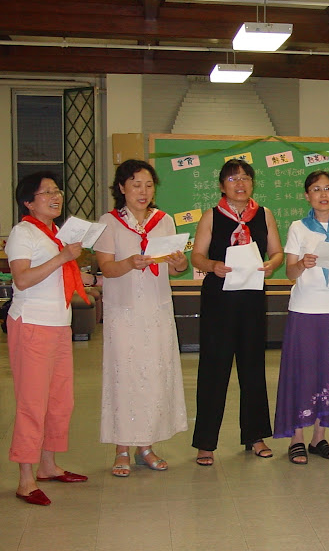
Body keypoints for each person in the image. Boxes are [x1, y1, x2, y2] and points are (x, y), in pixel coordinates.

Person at [94, 160, 189, 477]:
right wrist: (130, 263)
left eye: (148, 185)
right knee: (126, 377)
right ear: (121, 188)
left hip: (157, 309)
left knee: (154, 376)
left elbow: (176, 268)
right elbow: (106, 268)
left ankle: (145, 446)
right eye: (136, 184)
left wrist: (178, 262)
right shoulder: (108, 223)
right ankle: (121, 448)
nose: (143, 191)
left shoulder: (164, 222)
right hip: (124, 312)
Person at [191, 159, 284, 465]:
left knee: (253, 368)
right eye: (233, 179)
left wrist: (272, 264)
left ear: (252, 184)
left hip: (252, 297)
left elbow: (277, 252)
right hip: (219, 299)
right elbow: (197, 257)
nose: (240, 184)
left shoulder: (265, 214)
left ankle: (254, 436)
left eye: (245, 178)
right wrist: (211, 266)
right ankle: (206, 443)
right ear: (222, 185)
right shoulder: (211, 216)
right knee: (213, 370)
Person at [6, 172, 89, 506]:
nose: (56, 197)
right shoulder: (22, 232)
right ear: (29, 201)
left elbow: (58, 274)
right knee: (32, 403)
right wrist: (64, 258)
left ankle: (48, 466)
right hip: (32, 325)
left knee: (60, 401)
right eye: (47, 193)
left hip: (58, 325)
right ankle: (25, 480)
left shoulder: (55, 233)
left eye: (57, 191)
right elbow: (23, 279)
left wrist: (89, 276)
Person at [273, 170, 329, 465]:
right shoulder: (298, 227)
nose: (323, 194)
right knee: (302, 373)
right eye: (317, 189)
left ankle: (319, 437)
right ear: (307, 195)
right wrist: (303, 264)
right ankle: (296, 438)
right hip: (304, 310)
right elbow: (290, 272)